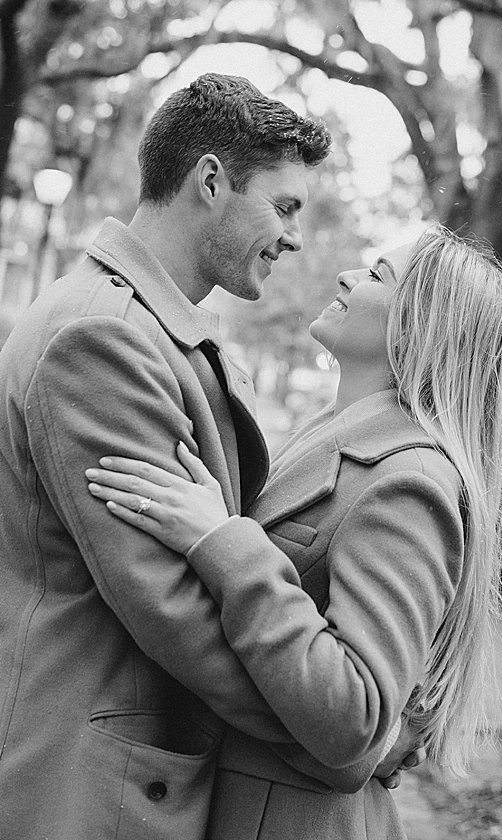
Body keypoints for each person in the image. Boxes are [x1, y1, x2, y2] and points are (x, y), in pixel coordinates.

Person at [84, 226, 502, 839]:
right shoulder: (333, 436)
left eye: (378, 275)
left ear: (424, 325)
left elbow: (352, 715)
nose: (347, 276)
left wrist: (222, 542)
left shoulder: (409, 482)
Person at [0, 73, 342, 838]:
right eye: (284, 207)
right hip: (84, 784)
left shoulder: (146, 327)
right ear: (211, 181)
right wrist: (332, 735)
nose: (294, 237)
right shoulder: (103, 337)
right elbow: (171, 608)